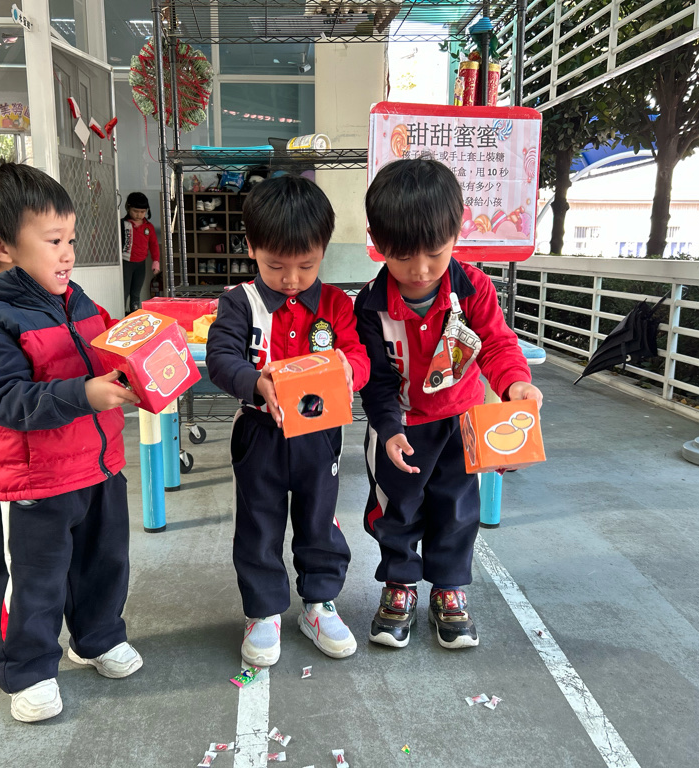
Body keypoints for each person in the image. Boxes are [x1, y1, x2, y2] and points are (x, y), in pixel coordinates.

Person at [0, 160, 143, 723]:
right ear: (0, 247)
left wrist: (141, 358)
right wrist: (86, 394)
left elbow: (106, 353)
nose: (68, 254)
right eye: (54, 241)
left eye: (71, 240)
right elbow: (5, 400)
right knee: (33, 580)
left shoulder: (78, 300)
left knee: (104, 564)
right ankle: (29, 668)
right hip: (34, 481)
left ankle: (98, 638)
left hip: (99, 466)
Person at [355, 158, 543, 650]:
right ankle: (399, 584)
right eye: (402, 257)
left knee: (457, 510)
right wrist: (388, 427)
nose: (419, 270)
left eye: (435, 254)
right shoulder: (370, 305)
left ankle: (449, 588)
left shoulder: (474, 288)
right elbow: (375, 380)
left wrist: (516, 386)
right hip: (400, 430)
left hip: (461, 423)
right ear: (376, 241)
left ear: (459, 228)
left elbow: (497, 344)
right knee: (396, 509)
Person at [206, 175, 371, 667]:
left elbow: (359, 356)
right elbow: (220, 358)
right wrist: (255, 381)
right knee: (258, 523)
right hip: (260, 434)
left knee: (320, 519)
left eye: (307, 265)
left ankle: (319, 603)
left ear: (323, 251)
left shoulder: (336, 305)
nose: (292, 279)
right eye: (276, 266)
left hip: (319, 435)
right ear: (251, 248)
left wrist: (350, 369)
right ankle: (263, 611)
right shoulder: (240, 302)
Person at [121, 192, 161, 312]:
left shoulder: (149, 227)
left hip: (140, 264)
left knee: (136, 292)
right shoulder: (123, 224)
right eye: (135, 211)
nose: (139, 215)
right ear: (128, 208)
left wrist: (156, 261)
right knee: (124, 291)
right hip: (126, 262)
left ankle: (134, 314)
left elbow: (154, 245)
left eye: (142, 212)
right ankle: (120, 313)